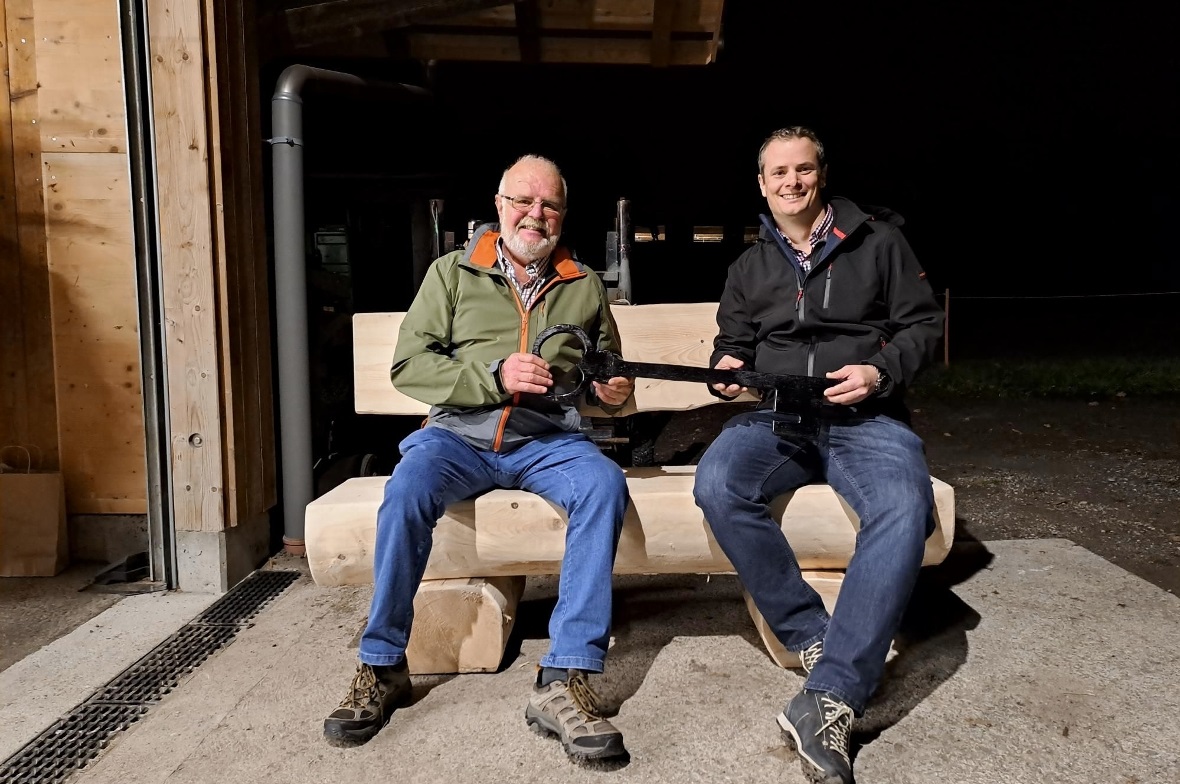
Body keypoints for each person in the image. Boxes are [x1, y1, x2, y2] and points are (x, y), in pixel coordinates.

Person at [323, 154, 634, 762]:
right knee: (407, 490)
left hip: (547, 440)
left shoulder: (584, 283)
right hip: (457, 438)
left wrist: (614, 396)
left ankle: (566, 675)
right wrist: (494, 374)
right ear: (499, 206)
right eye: (522, 200)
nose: (534, 214)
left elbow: (609, 374)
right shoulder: (452, 274)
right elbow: (410, 367)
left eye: (548, 205)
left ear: (562, 215)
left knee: (603, 485)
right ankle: (383, 664)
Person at [692, 126, 944, 784]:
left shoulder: (878, 241)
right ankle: (810, 634)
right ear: (762, 183)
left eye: (803, 170)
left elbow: (923, 325)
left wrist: (879, 372)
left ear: (821, 175)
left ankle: (831, 696)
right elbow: (735, 339)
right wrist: (728, 364)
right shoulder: (750, 266)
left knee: (903, 505)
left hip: (866, 417)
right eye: (778, 173)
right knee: (718, 482)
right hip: (780, 417)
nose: (791, 182)